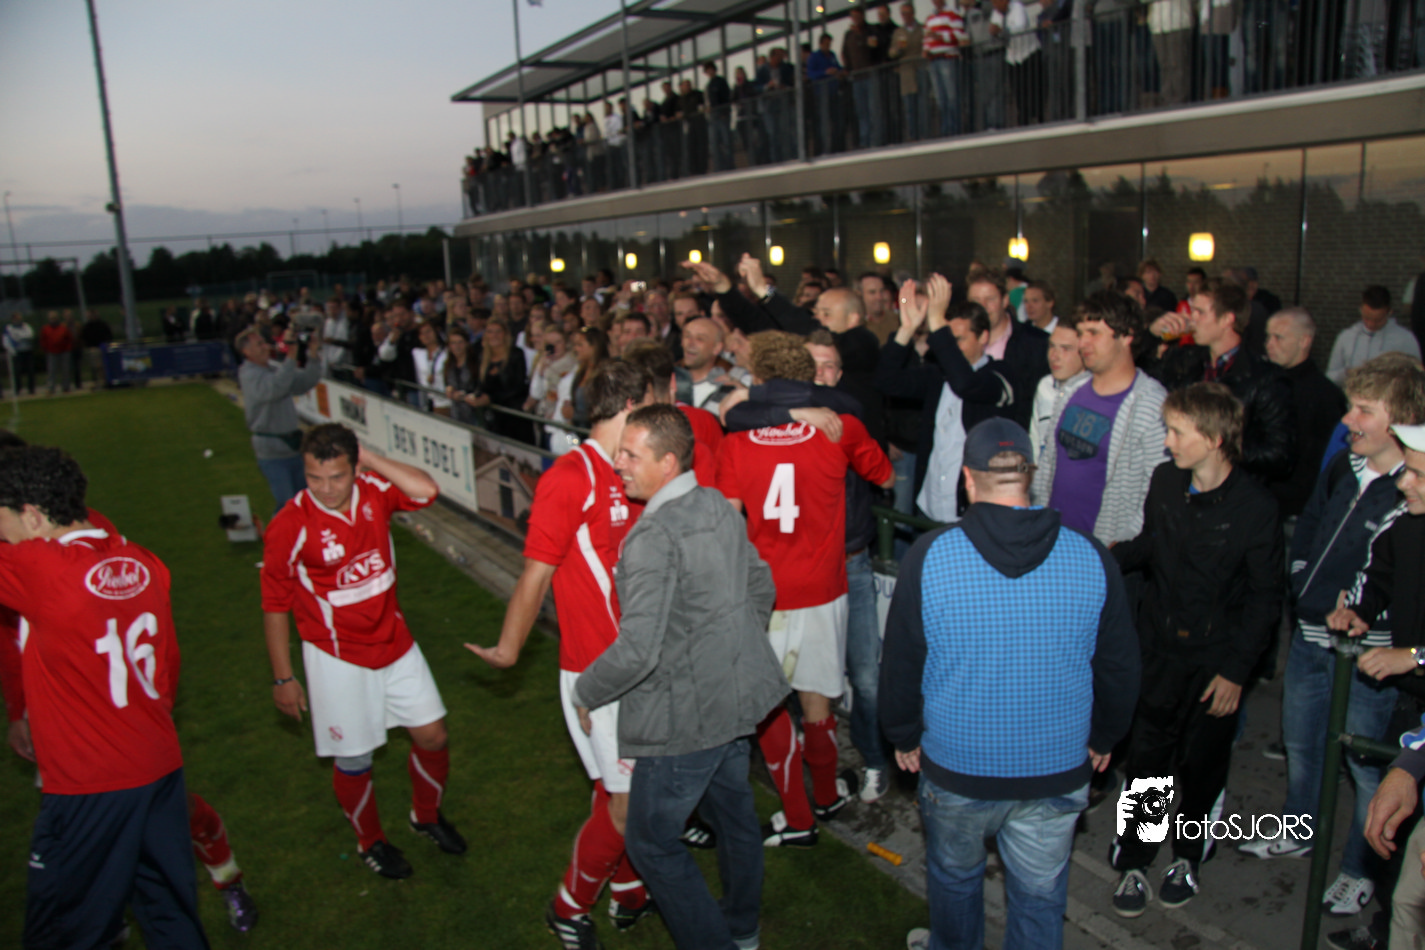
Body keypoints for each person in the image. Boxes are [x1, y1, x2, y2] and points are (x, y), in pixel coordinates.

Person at [881, 418, 1139, 950]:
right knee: (1039, 899)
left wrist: (902, 733)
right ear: (1030, 475)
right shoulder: (1092, 556)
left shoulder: (930, 555)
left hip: (957, 765)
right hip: (1056, 766)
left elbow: (902, 660)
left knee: (955, 882)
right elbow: (1120, 666)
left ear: (967, 479)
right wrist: (1105, 736)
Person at [572, 404, 788, 950]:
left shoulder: (652, 535)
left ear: (667, 463)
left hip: (687, 719)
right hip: (735, 701)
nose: (618, 464)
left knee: (650, 843)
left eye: (630, 455)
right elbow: (761, 585)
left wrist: (585, 690)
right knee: (735, 818)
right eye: (619, 452)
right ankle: (742, 930)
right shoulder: (715, 503)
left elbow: (638, 648)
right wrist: (728, 648)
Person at [467, 362, 655, 950]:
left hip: (639, 660)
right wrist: (509, 648)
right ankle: (568, 906)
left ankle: (628, 887)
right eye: (655, 404)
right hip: (600, 670)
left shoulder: (635, 470)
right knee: (628, 804)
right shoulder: (570, 477)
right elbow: (536, 572)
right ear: (631, 405)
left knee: (622, 790)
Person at [1238, 355, 1425, 923]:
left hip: (1369, 656)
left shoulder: (1409, 491)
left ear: (1400, 422)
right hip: (1311, 634)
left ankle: (1360, 867)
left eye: (1363, 410)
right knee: (1302, 743)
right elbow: (1311, 526)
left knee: (1367, 765)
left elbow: (1389, 576)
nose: (1348, 420)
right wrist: (1300, 584)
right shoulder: (1345, 466)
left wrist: (1378, 627)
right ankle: (1300, 830)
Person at [0, 445, 210, 949]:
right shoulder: (144, 560)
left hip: (89, 785)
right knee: (171, 916)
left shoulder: (39, 567)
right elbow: (167, 668)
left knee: (62, 932)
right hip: (159, 768)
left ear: (32, 517)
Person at [260, 424, 464, 880]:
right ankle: (370, 842)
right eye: (314, 477)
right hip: (337, 658)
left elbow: (427, 491)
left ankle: (425, 816)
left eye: (337, 476)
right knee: (355, 759)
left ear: (356, 468)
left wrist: (370, 459)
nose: (326, 489)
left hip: (396, 643)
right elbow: (274, 604)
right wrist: (283, 677)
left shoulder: (374, 491)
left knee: (433, 736)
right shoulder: (290, 524)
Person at [1109, 383, 1283, 915]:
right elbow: (1153, 545)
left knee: (1202, 764)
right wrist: (1109, 556)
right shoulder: (1166, 481)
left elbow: (1264, 599)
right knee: (1148, 760)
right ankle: (1136, 859)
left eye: (1177, 432)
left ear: (1213, 439)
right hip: (1159, 651)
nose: (1168, 442)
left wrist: (1236, 671)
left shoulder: (1256, 508)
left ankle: (1187, 855)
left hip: (1215, 664)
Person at [715, 331, 894, 848]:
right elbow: (883, 475)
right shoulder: (840, 427)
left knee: (768, 706)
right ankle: (825, 795)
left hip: (765, 593)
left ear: (760, 379)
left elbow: (727, 518)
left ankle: (798, 817)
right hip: (822, 588)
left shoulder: (736, 439)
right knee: (818, 699)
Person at [1346, 422, 1425, 949]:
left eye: (1416, 473)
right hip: (1414, 712)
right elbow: (1380, 576)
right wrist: (1360, 610)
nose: (1403, 483)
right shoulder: (1409, 528)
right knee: (1397, 848)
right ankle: (1139, 852)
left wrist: (1414, 656)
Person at [1032, 292, 1168, 546]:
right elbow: (1048, 462)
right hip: (1053, 541)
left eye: (1093, 333)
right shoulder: (1071, 390)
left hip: (1105, 548)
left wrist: (1123, 544)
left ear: (1126, 335)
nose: (1083, 343)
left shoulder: (1149, 404)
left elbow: (1158, 491)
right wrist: (1038, 517)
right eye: (1081, 333)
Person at [1263, 307, 1349, 518]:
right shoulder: (1264, 381)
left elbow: (1324, 458)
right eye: (1268, 337)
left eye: (1278, 337)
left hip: (1296, 504)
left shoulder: (1325, 395)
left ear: (1304, 341)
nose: (1269, 344)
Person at [236, 325, 324, 513]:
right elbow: (274, 389)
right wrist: (291, 356)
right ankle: (281, 533)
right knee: (287, 506)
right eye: (259, 344)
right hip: (272, 453)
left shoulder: (273, 369)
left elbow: (305, 382)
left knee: (306, 502)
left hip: (293, 448)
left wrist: (312, 355)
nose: (265, 346)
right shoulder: (249, 374)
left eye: (264, 342)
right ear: (246, 351)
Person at [1327, 285, 1422, 384]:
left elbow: (1417, 377)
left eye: (1378, 320)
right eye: (1366, 318)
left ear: (1389, 312)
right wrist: (1346, 373)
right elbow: (1330, 376)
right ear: (1361, 310)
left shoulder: (1405, 339)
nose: (1371, 324)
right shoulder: (1346, 337)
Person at [1029, 317, 1088, 464]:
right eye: (1051, 346)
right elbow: (1035, 445)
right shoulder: (1045, 386)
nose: (1054, 356)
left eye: (1065, 349)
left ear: (1085, 351)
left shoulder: (1096, 393)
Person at [38, 311, 73, 396]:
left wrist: (67, 348)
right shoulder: (45, 329)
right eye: (51, 318)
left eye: (54, 318)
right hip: (52, 352)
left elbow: (69, 338)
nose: (53, 320)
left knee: (65, 370)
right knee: (51, 371)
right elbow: (43, 340)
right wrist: (46, 349)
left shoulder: (63, 328)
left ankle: (66, 387)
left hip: (64, 352)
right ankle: (51, 388)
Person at [4, 312, 36, 396]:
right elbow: (11, 339)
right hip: (17, 353)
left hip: (27, 351)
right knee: (17, 372)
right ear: (13, 319)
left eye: (20, 318)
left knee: (30, 370)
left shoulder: (26, 326)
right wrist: (20, 337)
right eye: (17, 318)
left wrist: (20, 336)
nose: (19, 320)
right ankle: (17, 389)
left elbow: (30, 334)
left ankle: (31, 389)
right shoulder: (10, 328)